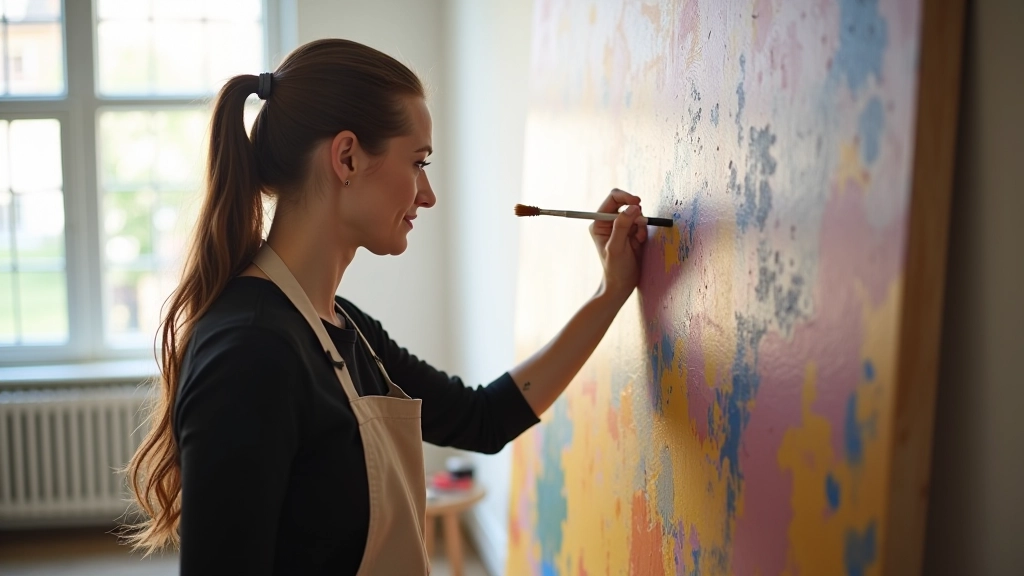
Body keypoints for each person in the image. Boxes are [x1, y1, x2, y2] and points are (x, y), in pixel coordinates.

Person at [124, 38, 649, 575]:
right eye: (418, 162)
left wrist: (610, 292)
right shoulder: (249, 354)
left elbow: (482, 420)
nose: (428, 194)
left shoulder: (339, 324)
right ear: (347, 156)